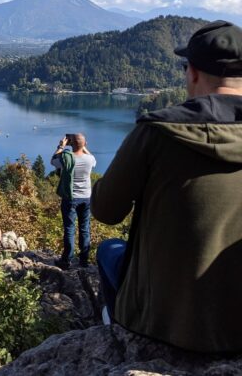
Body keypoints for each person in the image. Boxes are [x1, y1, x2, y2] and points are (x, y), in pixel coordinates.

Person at [92, 20, 242, 353]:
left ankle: (117, 332)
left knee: (108, 251)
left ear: (192, 73)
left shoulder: (158, 132)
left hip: (164, 322)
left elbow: (105, 210)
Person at [50, 133, 96, 269]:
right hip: (86, 198)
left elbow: (53, 160)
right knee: (85, 228)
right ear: (85, 144)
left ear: (72, 144)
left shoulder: (66, 158)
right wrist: (83, 146)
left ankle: (66, 260)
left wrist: (61, 146)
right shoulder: (90, 159)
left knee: (70, 229)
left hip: (70, 198)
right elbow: (90, 156)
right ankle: (84, 260)